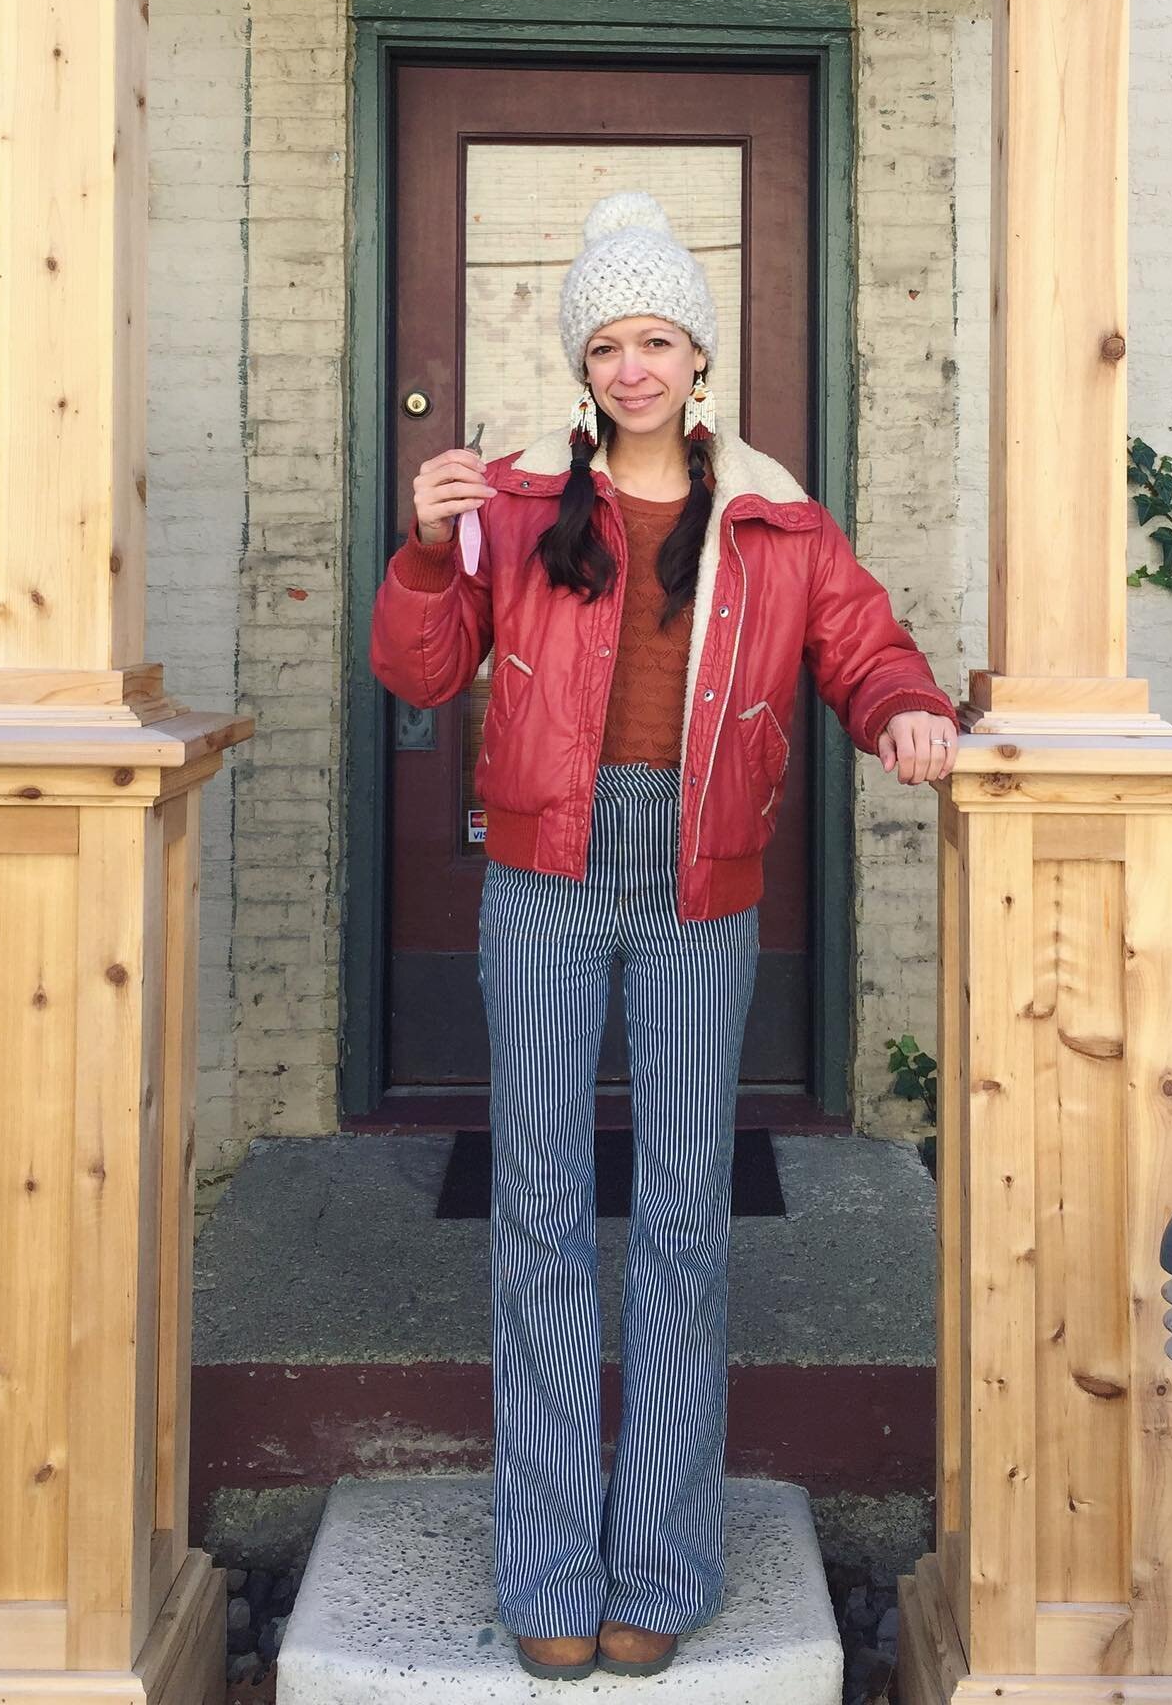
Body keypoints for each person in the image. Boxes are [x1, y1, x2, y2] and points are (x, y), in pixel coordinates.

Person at [369, 191, 959, 1681]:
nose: (632, 366)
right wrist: (426, 552)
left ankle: (665, 1564)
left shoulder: (776, 516)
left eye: (658, 339)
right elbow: (422, 677)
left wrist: (904, 710)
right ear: (582, 363)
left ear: (700, 356)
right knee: (544, 1217)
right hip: (546, 882)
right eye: (607, 342)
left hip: (704, 888)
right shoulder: (509, 508)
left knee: (689, 1226)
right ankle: (552, 1568)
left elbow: (865, 646)